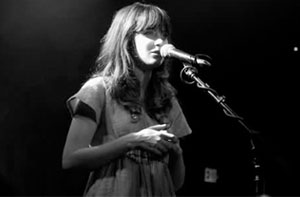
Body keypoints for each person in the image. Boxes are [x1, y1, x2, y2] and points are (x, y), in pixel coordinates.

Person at [62, 2, 192, 196]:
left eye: (163, 34)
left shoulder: (167, 99)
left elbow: (175, 184)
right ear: (127, 39)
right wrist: (134, 140)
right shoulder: (98, 89)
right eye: (150, 33)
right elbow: (70, 159)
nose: (160, 41)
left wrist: (177, 154)